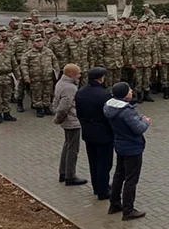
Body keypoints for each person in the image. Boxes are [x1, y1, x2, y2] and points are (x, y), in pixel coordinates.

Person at [104, 81, 150, 220]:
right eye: (129, 90)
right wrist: (145, 121)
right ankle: (128, 210)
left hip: (119, 145)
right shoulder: (127, 111)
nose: (131, 91)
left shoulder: (108, 107)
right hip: (132, 148)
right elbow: (138, 129)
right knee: (131, 179)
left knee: (119, 175)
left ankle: (115, 204)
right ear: (124, 94)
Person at [75, 67, 115, 200]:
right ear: (100, 78)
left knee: (93, 161)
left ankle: (97, 187)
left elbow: (79, 113)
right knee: (105, 162)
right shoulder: (105, 94)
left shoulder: (80, 92)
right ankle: (103, 191)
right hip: (103, 133)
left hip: (88, 132)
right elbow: (108, 115)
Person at [52, 63, 86, 186]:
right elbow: (64, 106)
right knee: (73, 149)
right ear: (71, 74)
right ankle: (70, 176)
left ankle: (63, 172)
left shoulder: (61, 83)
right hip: (72, 121)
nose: (80, 75)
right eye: (78, 73)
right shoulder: (70, 88)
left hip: (68, 120)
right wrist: (58, 119)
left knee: (67, 145)